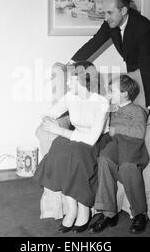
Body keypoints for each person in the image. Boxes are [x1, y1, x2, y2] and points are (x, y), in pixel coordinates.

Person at [34, 61, 109, 233]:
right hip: (75, 137)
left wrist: (59, 130)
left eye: (72, 80)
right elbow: (50, 112)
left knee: (75, 155)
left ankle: (83, 209)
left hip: (95, 142)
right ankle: (71, 207)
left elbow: (91, 139)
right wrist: (47, 119)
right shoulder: (70, 96)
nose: (68, 83)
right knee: (58, 148)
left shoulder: (101, 103)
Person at [67, 0, 150, 123]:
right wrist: (70, 63)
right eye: (104, 12)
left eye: (109, 12)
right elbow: (94, 43)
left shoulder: (143, 28)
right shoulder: (110, 23)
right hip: (134, 72)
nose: (106, 17)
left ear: (123, 11)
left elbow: (147, 67)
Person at [87, 74, 149, 234]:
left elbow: (139, 132)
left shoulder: (137, 110)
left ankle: (140, 214)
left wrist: (118, 129)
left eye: (111, 90)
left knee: (128, 166)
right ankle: (108, 214)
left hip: (132, 145)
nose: (108, 93)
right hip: (115, 145)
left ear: (124, 93)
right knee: (104, 159)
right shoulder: (111, 109)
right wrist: (105, 108)